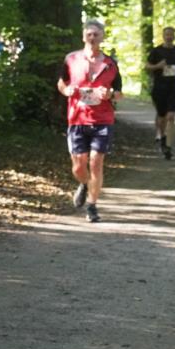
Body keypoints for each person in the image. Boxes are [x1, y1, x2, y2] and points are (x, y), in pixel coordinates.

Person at [57, 20, 123, 223]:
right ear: (83, 36)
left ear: (102, 36)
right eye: (89, 34)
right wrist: (66, 90)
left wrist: (110, 94)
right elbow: (62, 81)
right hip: (77, 119)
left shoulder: (110, 64)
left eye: (96, 34)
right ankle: (84, 184)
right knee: (79, 166)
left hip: (103, 119)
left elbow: (119, 93)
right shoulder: (71, 59)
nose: (92, 37)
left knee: (96, 162)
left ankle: (92, 205)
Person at [145, 26, 175, 160]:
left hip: (174, 87)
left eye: (171, 35)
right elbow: (147, 66)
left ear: (174, 36)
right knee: (161, 117)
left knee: (171, 116)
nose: (169, 37)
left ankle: (168, 146)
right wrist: (158, 66)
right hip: (160, 88)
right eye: (167, 34)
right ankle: (162, 137)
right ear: (163, 36)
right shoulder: (156, 51)